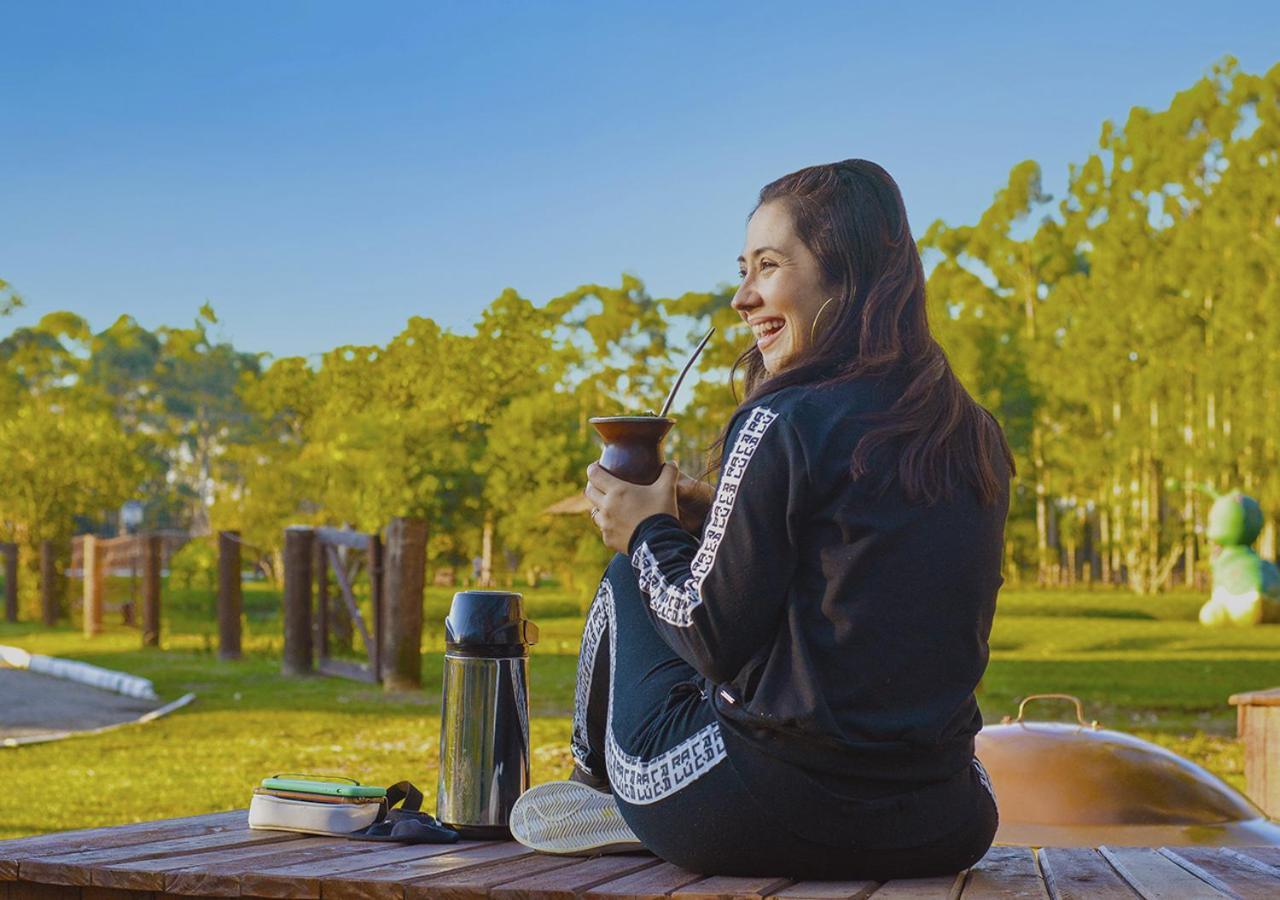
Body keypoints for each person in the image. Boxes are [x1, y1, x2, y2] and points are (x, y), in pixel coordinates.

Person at [509, 159, 1013, 880]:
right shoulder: (968, 431)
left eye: (768, 266)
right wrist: (711, 510)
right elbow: (851, 563)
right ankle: (625, 795)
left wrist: (644, 530)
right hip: (944, 820)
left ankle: (600, 788)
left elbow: (709, 630)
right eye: (744, 269)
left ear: (847, 274)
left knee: (628, 580)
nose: (744, 297)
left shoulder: (781, 417)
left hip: (763, 810)